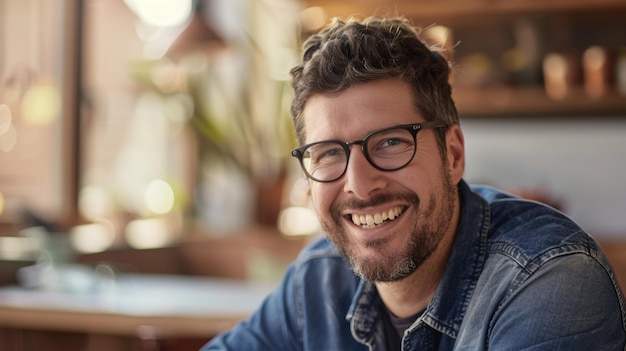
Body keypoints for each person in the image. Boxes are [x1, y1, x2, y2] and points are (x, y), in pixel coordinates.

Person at [201, 16, 626, 350]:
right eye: (329, 152)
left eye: (389, 142)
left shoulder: (549, 281)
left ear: (453, 154)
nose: (360, 186)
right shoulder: (318, 278)